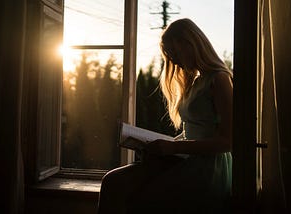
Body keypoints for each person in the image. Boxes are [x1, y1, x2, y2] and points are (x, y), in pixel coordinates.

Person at [97, 18, 233, 214]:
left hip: (208, 169)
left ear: (190, 44)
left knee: (132, 197)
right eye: (169, 57)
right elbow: (192, 132)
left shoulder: (219, 79)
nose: (174, 61)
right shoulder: (197, 81)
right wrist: (157, 146)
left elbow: (227, 142)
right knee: (112, 181)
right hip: (189, 159)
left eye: (174, 53)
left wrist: (173, 147)